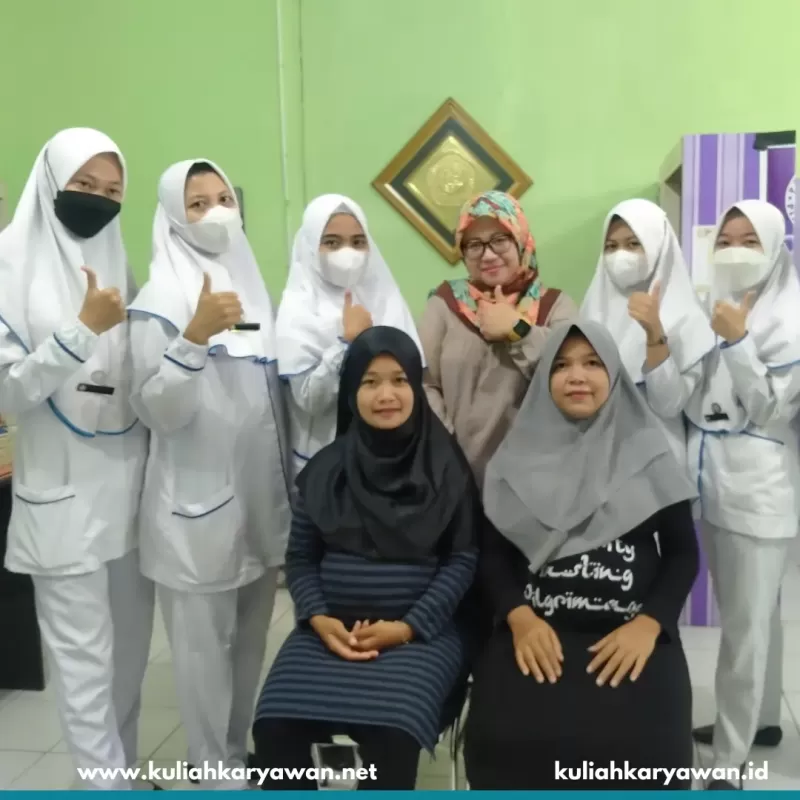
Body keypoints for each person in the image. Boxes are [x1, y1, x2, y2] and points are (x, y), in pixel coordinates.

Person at [464, 321, 698, 790]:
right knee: (501, 739)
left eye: (593, 363)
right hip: (535, 631)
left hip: (629, 632)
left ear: (613, 375)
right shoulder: (513, 460)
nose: (577, 376)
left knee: (653, 749)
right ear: (545, 379)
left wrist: (649, 624)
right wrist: (519, 618)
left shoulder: (648, 455)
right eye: (562, 365)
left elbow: (682, 554)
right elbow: (492, 556)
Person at [252, 326, 481, 790]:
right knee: (276, 727)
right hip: (328, 633)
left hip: (419, 637)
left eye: (399, 380)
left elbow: (462, 560)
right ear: (351, 392)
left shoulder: (447, 469)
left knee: (389, 735)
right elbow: (301, 558)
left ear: (416, 388)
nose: (386, 395)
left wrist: (408, 626)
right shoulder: (326, 470)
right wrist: (318, 618)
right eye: (370, 382)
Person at [127, 159, 291, 789]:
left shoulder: (252, 290)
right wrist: (193, 337)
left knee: (248, 646)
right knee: (202, 655)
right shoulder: (159, 302)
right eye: (197, 203)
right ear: (172, 215)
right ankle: (210, 766)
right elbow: (156, 410)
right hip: (194, 510)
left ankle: (232, 752)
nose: (216, 212)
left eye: (224, 198)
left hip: (258, 501)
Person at [0, 128, 153, 789]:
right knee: (83, 666)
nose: (99, 200)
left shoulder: (116, 260)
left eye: (113, 190)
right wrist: (80, 330)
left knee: (129, 661)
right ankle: (101, 784)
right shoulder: (7, 265)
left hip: (127, 491)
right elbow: (7, 392)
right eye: (84, 185)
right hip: (60, 498)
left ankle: (120, 776)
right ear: (49, 182)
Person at [682, 200, 800, 789]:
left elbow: (772, 407)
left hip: (759, 489)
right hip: (714, 480)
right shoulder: (717, 302)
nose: (733, 249)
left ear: (775, 247)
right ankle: (762, 721)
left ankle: (730, 761)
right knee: (757, 616)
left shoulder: (791, 316)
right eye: (725, 238)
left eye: (749, 240)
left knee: (745, 629)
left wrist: (737, 343)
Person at [419, 190, 577, 484]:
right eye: (474, 245)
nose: (488, 255)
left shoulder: (555, 305)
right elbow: (424, 382)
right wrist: (447, 449)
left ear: (521, 239)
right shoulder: (444, 304)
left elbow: (569, 377)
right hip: (457, 473)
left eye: (500, 240)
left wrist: (517, 330)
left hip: (538, 476)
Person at [275, 194, 422, 479]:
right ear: (310, 247)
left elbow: (414, 379)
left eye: (357, 242)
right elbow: (310, 401)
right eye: (332, 242)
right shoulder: (298, 309)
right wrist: (347, 343)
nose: (347, 253)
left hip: (391, 455)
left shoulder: (385, 297)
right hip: (328, 462)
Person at [580, 198, 715, 463]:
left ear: (658, 246)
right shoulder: (591, 311)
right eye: (611, 246)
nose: (620, 255)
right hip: (599, 457)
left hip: (659, 462)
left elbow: (669, 404)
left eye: (633, 244)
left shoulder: (687, 318)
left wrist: (654, 334)